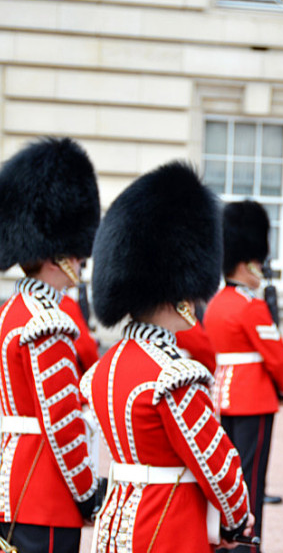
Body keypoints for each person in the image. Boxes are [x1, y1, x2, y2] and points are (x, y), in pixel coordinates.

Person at [82, 161, 254, 552]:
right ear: (181, 289)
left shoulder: (104, 369)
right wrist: (237, 520)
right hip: (167, 530)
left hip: (116, 528)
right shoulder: (174, 375)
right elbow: (218, 466)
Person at [0, 138, 103, 553]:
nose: (82, 262)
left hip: (11, 482)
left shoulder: (11, 311)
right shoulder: (49, 323)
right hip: (45, 494)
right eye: (78, 255)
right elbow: (62, 422)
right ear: (59, 255)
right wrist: (86, 490)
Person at [204, 200, 283, 552]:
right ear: (246, 263)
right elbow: (277, 359)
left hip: (220, 400)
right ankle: (247, 546)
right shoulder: (251, 307)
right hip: (253, 400)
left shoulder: (215, 304)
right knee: (251, 483)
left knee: (224, 480)